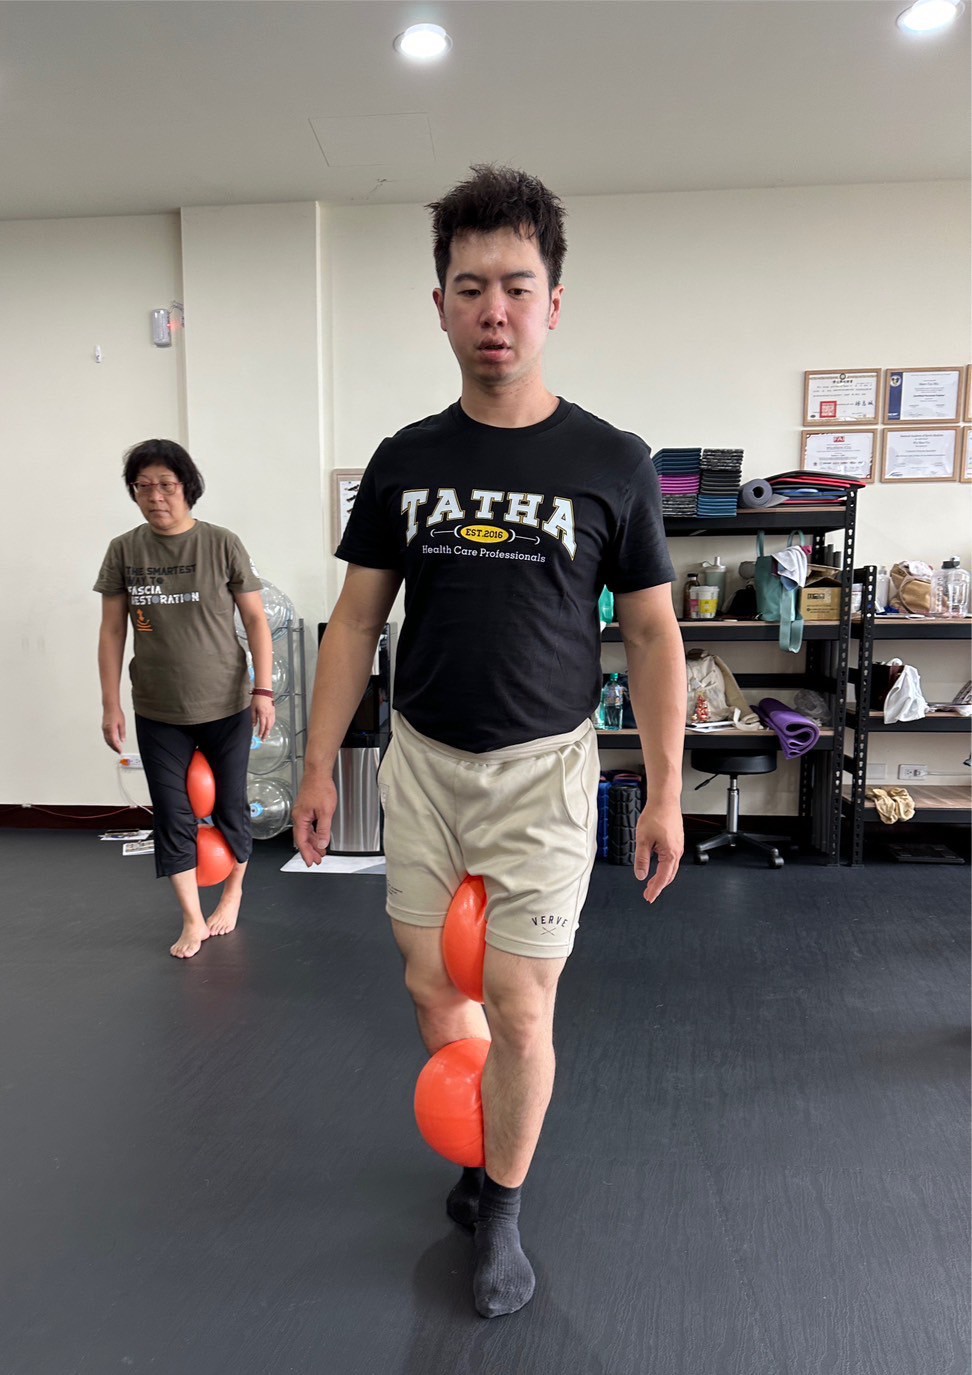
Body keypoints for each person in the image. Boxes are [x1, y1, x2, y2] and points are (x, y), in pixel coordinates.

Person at [292, 165, 685, 1317]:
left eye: (517, 286)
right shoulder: (405, 459)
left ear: (554, 301)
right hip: (421, 765)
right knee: (430, 984)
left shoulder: (612, 461)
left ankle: (499, 1202)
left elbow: (653, 636)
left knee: (518, 1003)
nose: (495, 311)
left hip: (543, 773)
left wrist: (666, 791)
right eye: (471, 288)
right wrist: (318, 768)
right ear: (441, 305)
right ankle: (479, 1132)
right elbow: (355, 621)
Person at [95, 439, 276, 959]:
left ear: (187, 488)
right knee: (171, 815)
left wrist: (263, 690)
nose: (155, 496)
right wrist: (110, 704)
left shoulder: (221, 543)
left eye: (166, 485)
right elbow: (112, 631)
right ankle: (192, 919)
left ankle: (233, 894)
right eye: (143, 487)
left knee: (231, 806)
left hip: (226, 703)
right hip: (158, 708)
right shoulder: (124, 550)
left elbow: (256, 619)